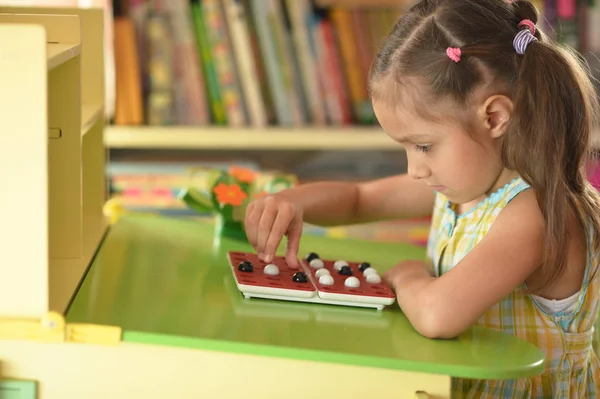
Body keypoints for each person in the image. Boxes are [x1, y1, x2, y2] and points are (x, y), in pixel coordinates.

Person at [243, 0, 600, 396]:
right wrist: (294, 202)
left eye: (424, 146)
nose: (415, 168)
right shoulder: (467, 186)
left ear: (495, 117)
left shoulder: (535, 213)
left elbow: (437, 315)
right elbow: (361, 199)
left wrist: (409, 276)